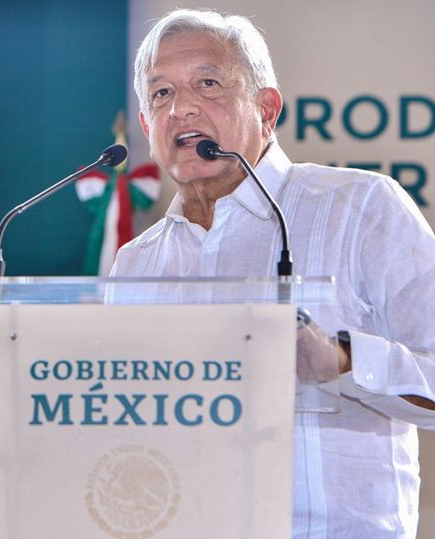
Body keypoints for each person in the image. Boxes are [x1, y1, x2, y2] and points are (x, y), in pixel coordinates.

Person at [111, 8, 435, 538]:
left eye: (208, 84)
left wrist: (343, 361)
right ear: (148, 127)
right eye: (161, 93)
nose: (181, 108)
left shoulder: (360, 207)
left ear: (266, 109)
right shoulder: (136, 263)